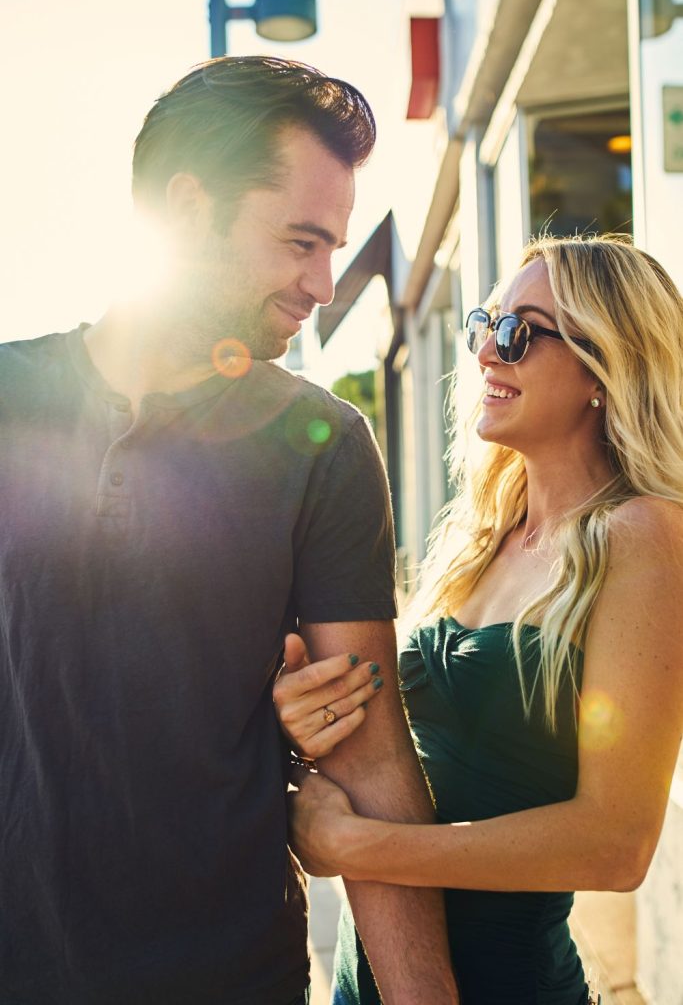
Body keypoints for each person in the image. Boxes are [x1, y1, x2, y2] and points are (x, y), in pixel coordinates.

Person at [0, 56, 459, 1005]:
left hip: (227, 973)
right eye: (299, 241)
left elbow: (372, 750)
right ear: (184, 207)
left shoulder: (323, 445)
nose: (323, 284)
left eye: (333, 247)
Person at [277, 234, 683, 1004]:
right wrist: (309, 723)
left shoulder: (643, 535)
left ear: (606, 365)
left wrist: (361, 847)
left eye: (518, 333)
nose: (485, 353)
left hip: (505, 984)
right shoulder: (479, 535)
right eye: (482, 325)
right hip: (374, 975)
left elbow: (616, 845)